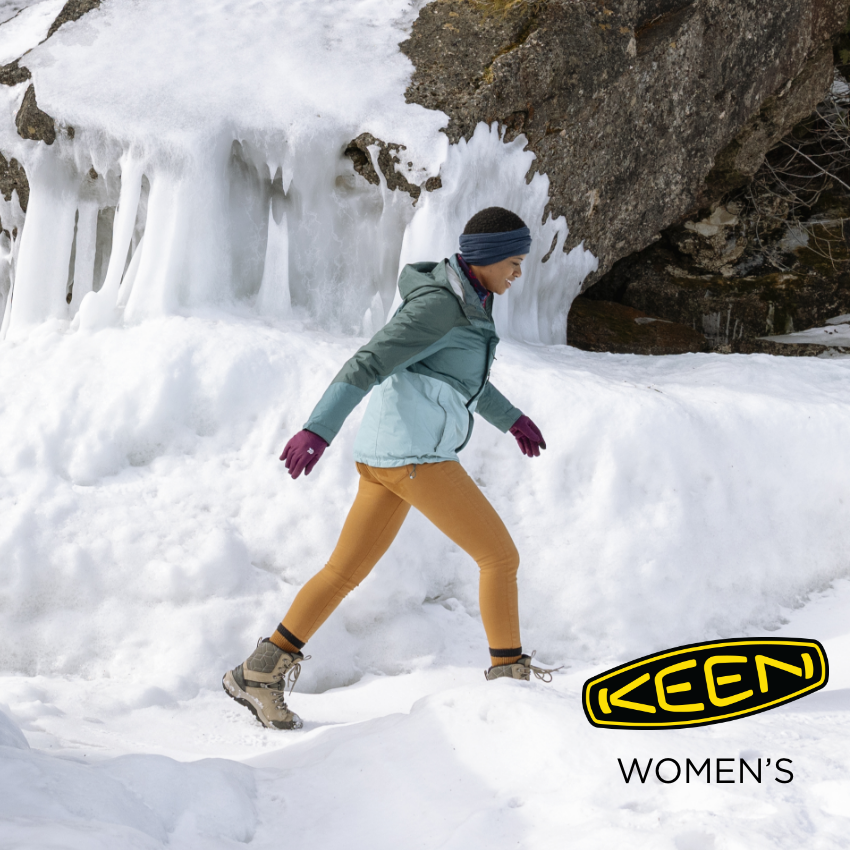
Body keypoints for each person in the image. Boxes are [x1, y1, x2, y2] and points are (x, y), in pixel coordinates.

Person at [223, 207, 555, 729]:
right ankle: (509, 681)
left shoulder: (465, 301)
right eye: (513, 261)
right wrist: (318, 429)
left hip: (389, 455)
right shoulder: (440, 308)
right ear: (488, 259)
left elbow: (459, 378)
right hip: (414, 456)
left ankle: (257, 673)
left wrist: (511, 419)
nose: (518, 273)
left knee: (342, 572)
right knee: (499, 557)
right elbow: (368, 361)